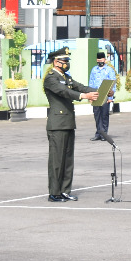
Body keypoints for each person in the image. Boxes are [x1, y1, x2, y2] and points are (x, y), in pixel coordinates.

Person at [41, 48, 99, 202]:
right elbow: (64, 92)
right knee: (57, 161)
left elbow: (81, 87)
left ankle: (65, 190)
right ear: (56, 61)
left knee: (67, 160)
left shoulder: (66, 77)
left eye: (67, 61)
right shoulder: (51, 78)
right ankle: (54, 193)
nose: (67, 63)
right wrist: (84, 96)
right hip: (57, 124)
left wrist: (101, 92)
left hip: (68, 123)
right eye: (64, 61)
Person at [88, 51, 117, 141]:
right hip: (96, 95)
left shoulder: (109, 70)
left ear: (104, 60)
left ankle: (104, 133)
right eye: (98, 59)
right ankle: (98, 133)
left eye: (101, 59)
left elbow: (113, 84)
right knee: (97, 115)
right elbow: (91, 83)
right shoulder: (94, 70)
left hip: (105, 95)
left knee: (104, 115)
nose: (99, 61)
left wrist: (110, 98)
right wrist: (90, 96)